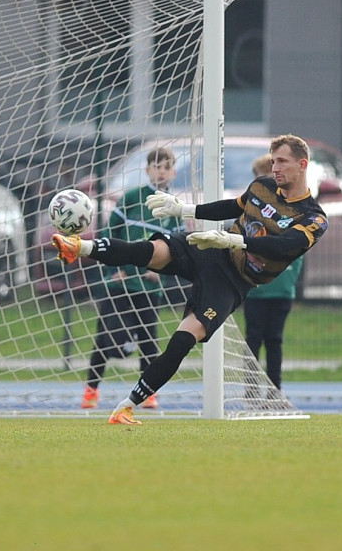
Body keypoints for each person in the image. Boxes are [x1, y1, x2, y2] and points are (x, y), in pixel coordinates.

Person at [52, 134, 327, 425]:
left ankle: (126, 406)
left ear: (302, 164)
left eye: (282, 162)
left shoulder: (313, 217)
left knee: (183, 340)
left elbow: (284, 246)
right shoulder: (263, 186)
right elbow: (233, 207)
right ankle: (79, 247)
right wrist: (184, 210)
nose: (275, 168)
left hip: (233, 282)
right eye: (272, 161)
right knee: (152, 251)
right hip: (212, 250)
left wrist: (234, 240)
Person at [80, 146, 183, 410]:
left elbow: (180, 249)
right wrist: (113, 268)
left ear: (173, 171)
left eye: (166, 166)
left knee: (149, 341)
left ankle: (148, 393)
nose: (161, 171)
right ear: (147, 170)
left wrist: (160, 270)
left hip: (148, 288)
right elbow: (110, 234)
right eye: (156, 166)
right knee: (106, 339)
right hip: (120, 284)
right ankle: (91, 389)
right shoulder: (132, 199)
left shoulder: (175, 209)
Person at [242, 153, 303, 395]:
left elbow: (298, 249)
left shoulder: (291, 210)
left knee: (275, 340)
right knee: (253, 338)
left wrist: (287, 276)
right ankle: (251, 388)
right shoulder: (250, 210)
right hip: (256, 290)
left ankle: (274, 389)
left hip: (281, 289)